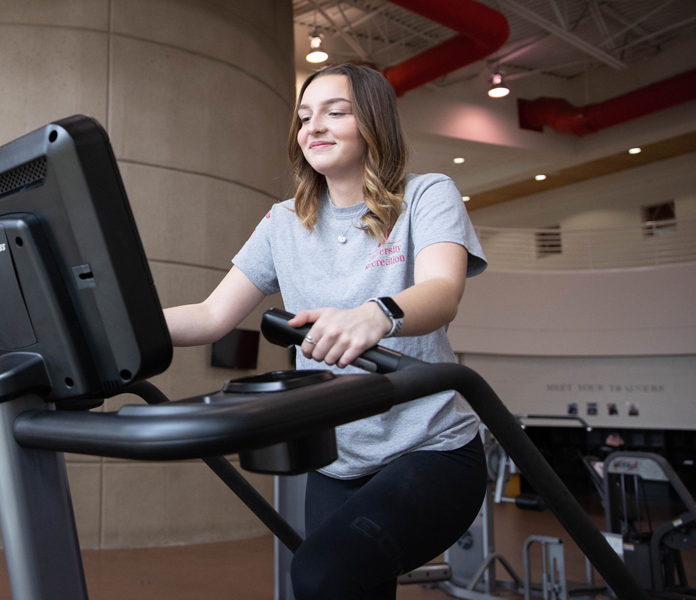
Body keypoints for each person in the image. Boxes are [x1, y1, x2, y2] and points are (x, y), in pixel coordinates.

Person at [163, 63, 488, 599]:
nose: (313, 127)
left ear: (374, 123)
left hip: (430, 450)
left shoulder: (427, 195)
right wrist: (115, 330)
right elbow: (210, 315)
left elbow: (442, 290)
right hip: (338, 460)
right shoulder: (283, 222)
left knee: (321, 575)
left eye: (335, 113)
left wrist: (376, 314)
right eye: (304, 116)